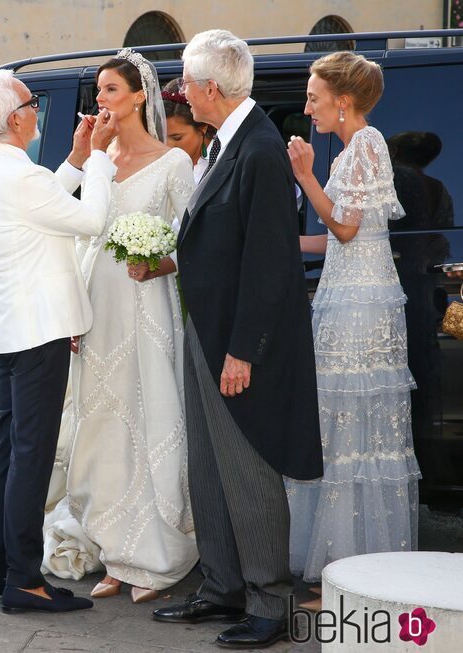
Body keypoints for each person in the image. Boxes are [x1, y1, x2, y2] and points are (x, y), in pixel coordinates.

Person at [151, 30, 322, 650]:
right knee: (209, 464)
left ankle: (269, 603)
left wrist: (243, 350)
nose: (183, 95)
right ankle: (222, 585)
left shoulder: (259, 149)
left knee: (248, 469)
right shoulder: (228, 142)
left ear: (213, 89)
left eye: (188, 85)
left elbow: (271, 264)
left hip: (239, 342)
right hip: (209, 326)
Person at [0, 68, 118, 614]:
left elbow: (42, 202)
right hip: (39, 330)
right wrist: (98, 157)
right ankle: (24, 580)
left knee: (6, 449)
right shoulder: (16, 176)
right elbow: (90, 219)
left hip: (5, 329)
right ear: (13, 119)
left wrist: (72, 161)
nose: (37, 112)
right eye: (31, 105)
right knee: (31, 454)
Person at [41, 49, 198, 606]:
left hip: (147, 304)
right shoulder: (98, 160)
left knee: (146, 416)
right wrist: (73, 309)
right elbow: (75, 231)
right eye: (99, 92)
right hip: (97, 304)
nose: (101, 100)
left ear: (138, 97)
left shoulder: (174, 163)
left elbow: (194, 237)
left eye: (110, 90)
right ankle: (112, 550)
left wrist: (160, 260)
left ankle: (151, 552)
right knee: (102, 424)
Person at [285, 52, 420, 607]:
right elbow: (342, 237)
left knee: (351, 429)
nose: (308, 106)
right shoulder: (353, 149)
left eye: (314, 96)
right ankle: (339, 566)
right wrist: (282, 241)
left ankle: (347, 570)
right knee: (337, 427)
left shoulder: (366, 143)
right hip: (346, 296)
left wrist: (303, 174)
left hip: (360, 308)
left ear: (344, 99)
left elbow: (343, 228)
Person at [162, 78, 215, 184]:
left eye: (177, 137)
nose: (166, 145)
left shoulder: (223, 159)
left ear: (203, 127)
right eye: (160, 137)